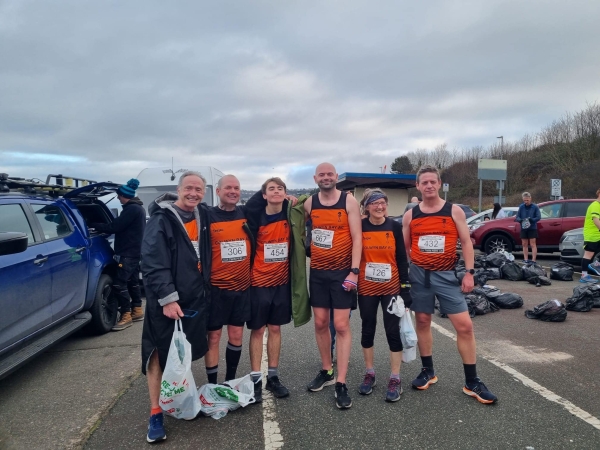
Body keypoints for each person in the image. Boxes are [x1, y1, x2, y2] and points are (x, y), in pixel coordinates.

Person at [402, 165, 497, 405]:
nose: (429, 186)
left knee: (464, 327)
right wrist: (406, 274)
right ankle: (428, 371)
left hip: (447, 276)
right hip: (419, 276)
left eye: (433, 182)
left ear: (439, 183)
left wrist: (469, 273)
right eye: (424, 183)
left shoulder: (453, 211)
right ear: (418, 186)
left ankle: (472, 381)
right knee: (422, 321)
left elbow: (466, 242)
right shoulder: (410, 215)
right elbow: (405, 248)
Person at [140, 171, 211, 442]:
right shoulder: (161, 220)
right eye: (189, 188)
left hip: (195, 298)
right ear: (179, 189)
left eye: (199, 189)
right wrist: (168, 299)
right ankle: (156, 411)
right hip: (167, 302)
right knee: (158, 354)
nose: (193, 193)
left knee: (183, 353)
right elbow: (153, 262)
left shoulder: (201, 215)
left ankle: (181, 399)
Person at [245, 177, 310, 402]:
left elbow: (308, 204)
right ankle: (255, 379)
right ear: (263, 195)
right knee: (257, 330)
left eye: (280, 188)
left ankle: (273, 377)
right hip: (258, 282)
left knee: (275, 328)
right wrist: (267, 189)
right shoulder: (255, 215)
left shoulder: (290, 214)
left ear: (286, 193)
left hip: (281, 283)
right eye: (271, 189)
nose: (276, 192)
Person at [304, 162, 362, 409]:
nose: (326, 177)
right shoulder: (309, 203)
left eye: (330, 174)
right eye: (322, 174)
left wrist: (355, 271)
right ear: (316, 178)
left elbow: (358, 237)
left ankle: (341, 381)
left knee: (340, 325)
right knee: (319, 323)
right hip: (317, 272)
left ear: (336, 177)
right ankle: (326, 371)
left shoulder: (349, 201)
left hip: (342, 273)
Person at [357, 188, 411, 402]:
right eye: (374, 203)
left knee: (392, 331)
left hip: (391, 287)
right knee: (367, 328)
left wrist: (406, 287)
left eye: (383, 203)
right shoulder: (359, 226)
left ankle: (395, 377)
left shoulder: (394, 227)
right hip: (366, 287)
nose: (379, 207)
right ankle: (370, 373)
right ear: (367, 206)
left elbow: (401, 258)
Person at [204, 175, 253, 385]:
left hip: (241, 288)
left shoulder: (245, 214)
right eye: (228, 188)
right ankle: (213, 384)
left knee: (236, 336)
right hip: (216, 289)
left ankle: (229, 382)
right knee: (213, 337)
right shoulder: (207, 215)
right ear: (218, 191)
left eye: (237, 188)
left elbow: (265, 198)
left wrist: (288, 197)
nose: (233, 191)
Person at [90, 178, 146, 330]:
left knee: (118, 283)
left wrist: (93, 226)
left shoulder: (131, 209)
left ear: (124, 196)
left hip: (128, 253)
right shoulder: (138, 208)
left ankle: (126, 315)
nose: (118, 198)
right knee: (132, 282)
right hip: (134, 252)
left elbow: (115, 226)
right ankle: (137, 310)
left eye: (119, 196)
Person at [579, 188, 600, 283]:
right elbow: (596, 220)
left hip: (597, 235)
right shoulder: (595, 205)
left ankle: (596, 263)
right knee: (588, 254)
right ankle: (584, 275)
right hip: (592, 235)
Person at [515, 192, 541, 264]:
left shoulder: (535, 207)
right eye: (524, 200)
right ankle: (525, 259)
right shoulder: (521, 207)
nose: (526, 202)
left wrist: (532, 220)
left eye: (527, 200)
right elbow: (517, 217)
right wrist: (520, 220)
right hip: (523, 227)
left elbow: (538, 217)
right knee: (524, 244)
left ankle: (533, 260)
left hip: (532, 227)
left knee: (533, 244)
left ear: (530, 198)